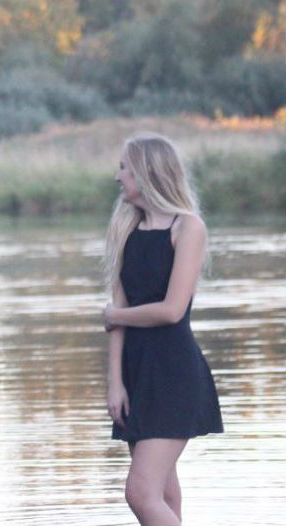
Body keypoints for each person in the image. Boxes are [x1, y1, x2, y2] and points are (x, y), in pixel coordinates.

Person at [101, 132, 223, 526]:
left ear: (147, 171)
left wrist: (117, 316)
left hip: (173, 372)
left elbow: (172, 311)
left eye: (124, 167)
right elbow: (117, 308)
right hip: (137, 375)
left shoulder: (188, 228)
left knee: (140, 492)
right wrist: (115, 382)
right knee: (164, 492)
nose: (118, 176)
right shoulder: (125, 229)